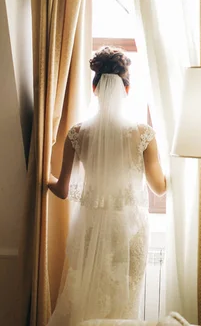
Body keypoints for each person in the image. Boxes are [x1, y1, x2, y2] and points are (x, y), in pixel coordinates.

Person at [46, 47, 167, 325]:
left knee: (85, 296)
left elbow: (62, 189)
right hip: (131, 229)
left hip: (90, 227)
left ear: (95, 88)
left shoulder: (77, 133)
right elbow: (159, 187)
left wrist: (45, 177)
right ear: (126, 90)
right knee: (125, 302)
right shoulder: (143, 133)